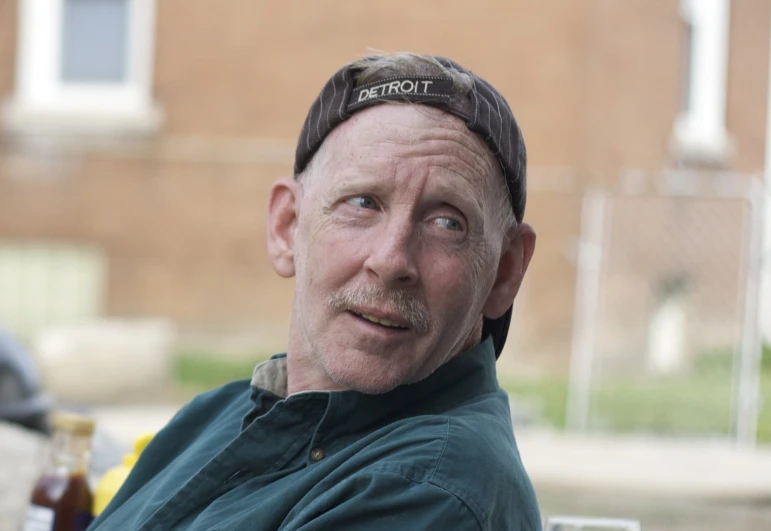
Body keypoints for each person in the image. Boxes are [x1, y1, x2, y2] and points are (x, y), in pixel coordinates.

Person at [89, 52, 540, 530]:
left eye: (447, 222)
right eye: (362, 203)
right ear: (287, 226)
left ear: (505, 271)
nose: (390, 261)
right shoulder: (215, 415)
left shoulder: (429, 489)